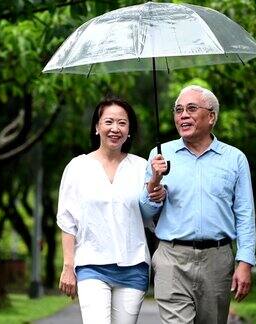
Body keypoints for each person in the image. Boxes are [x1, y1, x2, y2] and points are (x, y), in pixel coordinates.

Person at [138, 85, 256, 324]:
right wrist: (154, 183)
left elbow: (245, 214)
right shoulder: (160, 155)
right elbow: (145, 211)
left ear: (211, 116)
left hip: (217, 259)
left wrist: (245, 262)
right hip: (172, 258)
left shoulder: (235, 158)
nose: (183, 115)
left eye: (191, 109)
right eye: (178, 110)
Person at [57, 96, 166, 324]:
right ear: (97, 127)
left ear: (129, 131)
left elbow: (150, 215)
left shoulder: (141, 167)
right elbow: (67, 222)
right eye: (109, 122)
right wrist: (68, 266)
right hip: (91, 266)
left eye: (122, 123)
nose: (115, 128)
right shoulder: (78, 167)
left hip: (134, 267)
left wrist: (156, 187)